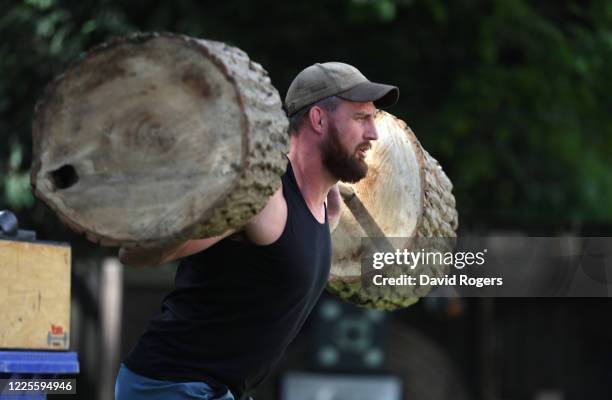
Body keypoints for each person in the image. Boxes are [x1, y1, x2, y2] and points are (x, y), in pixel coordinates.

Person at [114, 62, 399, 400]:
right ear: (319, 119)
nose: (373, 133)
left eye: (373, 119)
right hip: (172, 384)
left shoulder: (329, 208)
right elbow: (135, 253)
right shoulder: (261, 193)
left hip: (221, 390)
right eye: (360, 118)